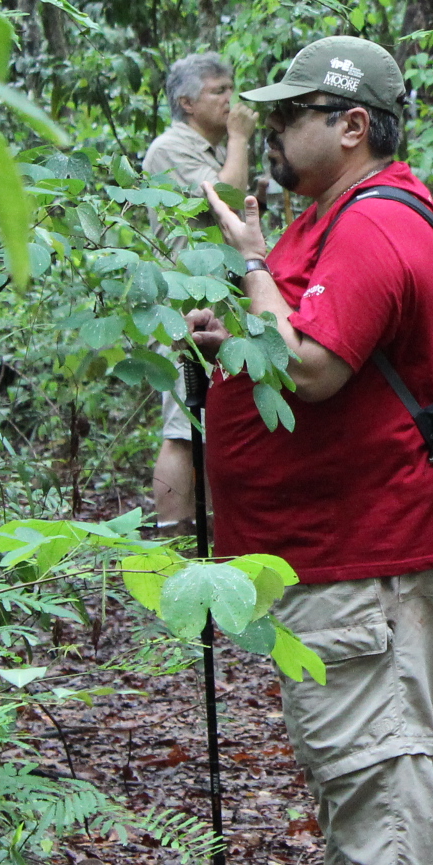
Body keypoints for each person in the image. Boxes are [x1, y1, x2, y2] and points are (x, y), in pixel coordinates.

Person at [184, 35, 433, 865]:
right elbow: (288, 336)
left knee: (376, 754)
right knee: (342, 756)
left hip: (367, 544)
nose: (266, 130)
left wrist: (252, 264)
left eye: (288, 114)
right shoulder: (334, 218)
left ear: (351, 125)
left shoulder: (376, 224)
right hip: (321, 544)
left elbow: (311, 368)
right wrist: (235, 324)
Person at [141, 52, 254, 533]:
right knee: (182, 429)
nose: (230, 99)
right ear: (187, 102)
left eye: (231, 89)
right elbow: (226, 199)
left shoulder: (208, 150)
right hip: (186, 305)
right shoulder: (170, 148)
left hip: (220, 304)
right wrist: (240, 139)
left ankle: (209, 531)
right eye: (218, 91)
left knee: (214, 424)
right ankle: (175, 538)